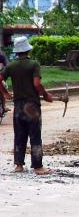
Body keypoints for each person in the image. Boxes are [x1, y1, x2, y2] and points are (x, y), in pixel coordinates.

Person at [0, 36, 53, 175]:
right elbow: (36, 84)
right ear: (28, 50)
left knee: (19, 135)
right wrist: (45, 95)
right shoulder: (33, 64)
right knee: (35, 135)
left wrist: (5, 93)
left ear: (17, 51)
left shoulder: (10, 65)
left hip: (18, 106)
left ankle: (19, 165)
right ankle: (38, 167)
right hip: (32, 106)